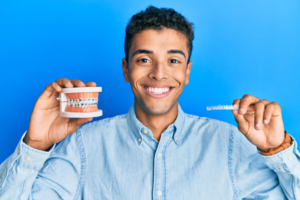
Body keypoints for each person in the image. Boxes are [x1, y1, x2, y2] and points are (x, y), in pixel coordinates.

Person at [0, 6, 299, 200]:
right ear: (126, 69)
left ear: (187, 72)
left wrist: (278, 150)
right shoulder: (84, 146)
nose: (159, 74)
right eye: (144, 59)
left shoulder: (230, 144)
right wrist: (36, 144)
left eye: (173, 60)